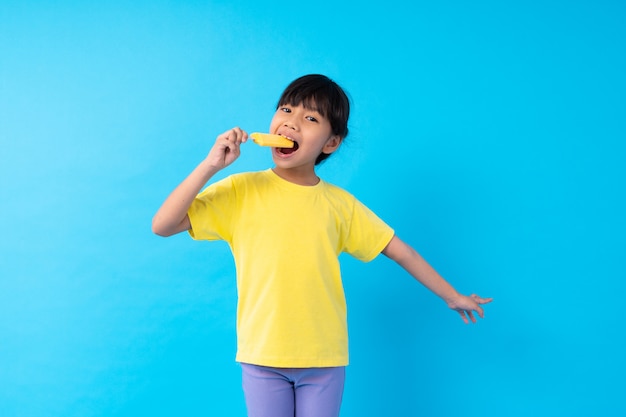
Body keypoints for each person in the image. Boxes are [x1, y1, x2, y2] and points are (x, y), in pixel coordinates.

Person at [152, 74, 492, 417]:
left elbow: (401, 251)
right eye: (286, 109)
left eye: (310, 118)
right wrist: (211, 165)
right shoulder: (240, 191)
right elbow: (163, 225)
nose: (291, 122)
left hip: (323, 358)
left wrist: (452, 295)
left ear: (330, 143)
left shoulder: (340, 205)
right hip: (261, 355)